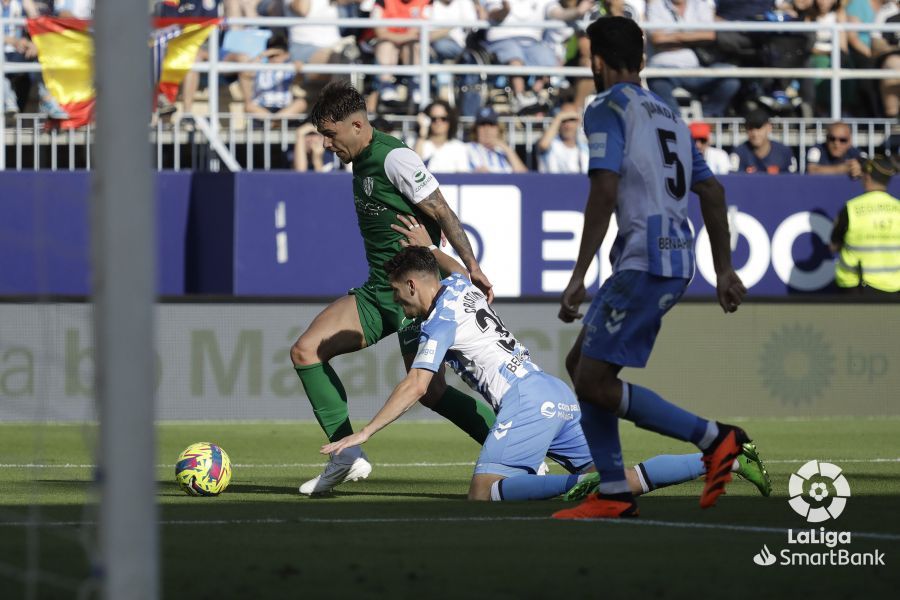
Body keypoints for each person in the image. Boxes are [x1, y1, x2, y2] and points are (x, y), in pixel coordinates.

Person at [322, 238, 772, 501]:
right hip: (551, 389)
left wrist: (365, 433)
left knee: (484, 490)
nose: (402, 306)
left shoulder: (439, 320)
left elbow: (418, 383)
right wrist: (426, 243)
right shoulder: (459, 286)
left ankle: (574, 484)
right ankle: (722, 455)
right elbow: (453, 267)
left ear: (413, 284)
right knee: (616, 484)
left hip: (527, 402)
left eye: (401, 296)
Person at [552, 17, 752, 520]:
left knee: (593, 380)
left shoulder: (606, 106)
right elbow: (713, 190)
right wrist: (723, 269)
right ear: (640, 60)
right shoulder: (670, 116)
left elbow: (603, 188)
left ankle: (715, 439)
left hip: (645, 258)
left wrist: (578, 274)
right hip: (674, 258)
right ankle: (616, 491)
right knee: (583, 368)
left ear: (597, 60)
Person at [292, 81, 497, 495]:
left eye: (331, 134)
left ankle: (515, 454)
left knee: (432, 392)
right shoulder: (359, 159)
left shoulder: (395, 158)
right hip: (380, 288)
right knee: (306, 350)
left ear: (356, 125)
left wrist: (471, 265)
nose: (328, 144)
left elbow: (440, 208)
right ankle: (347, 457)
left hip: (413, 292)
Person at [645, 0, 741, 118]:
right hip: (664, 70)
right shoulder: (656, 6)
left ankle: (706, 119)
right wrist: (693, 39)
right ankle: (676, 124)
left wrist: (674, 36)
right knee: (656, 80)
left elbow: (710, 35)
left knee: (731, 79)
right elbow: (658, 39)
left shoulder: (700, 5)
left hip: (698, 68)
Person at [830, 155, 900, 294]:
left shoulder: (851, 208)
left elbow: (833, 246)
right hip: (894, 287)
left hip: (856, 288)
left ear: (867, 177)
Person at [731, 108, 797, 174]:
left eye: (758, 128)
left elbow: (792, 180)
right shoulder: (739, 153)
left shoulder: (784, 152)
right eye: (750, 128)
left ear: (769, 128)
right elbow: (734, 180)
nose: (755, 134)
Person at [465, 106, 529, 173]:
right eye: (482, 125)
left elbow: (523, 177)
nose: (487, 129)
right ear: (475, 129)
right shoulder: (466, 149)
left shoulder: (503, 152)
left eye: (491, 125)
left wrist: (506, 148)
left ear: (498, 129)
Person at [414, 100, 471, 173]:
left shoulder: (459, 148)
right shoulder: (419, 143)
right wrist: (422, 136)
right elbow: (413, 171)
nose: (438, 122)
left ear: (450, 120)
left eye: (443, 119)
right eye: (434, 119)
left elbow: (463, 178)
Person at [537, 100, 589, 174]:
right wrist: (559, 117)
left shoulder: (585, 149)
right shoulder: (551, 143)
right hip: (552, 184)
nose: (567, 125)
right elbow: (543, 145)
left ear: (578, 121)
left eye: (572, 119)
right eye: (564, 120)